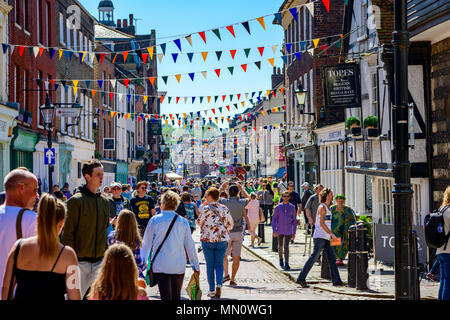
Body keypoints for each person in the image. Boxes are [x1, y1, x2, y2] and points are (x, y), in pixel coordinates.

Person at [2, 193, 81, 300]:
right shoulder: (68, 255)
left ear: (38, 219)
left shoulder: (18, 247)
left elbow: (6, 290)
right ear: (61, 223)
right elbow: (75, 297)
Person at [61, 159, 111, 299]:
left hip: (99, 262)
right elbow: (67, 234)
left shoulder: (105, 202)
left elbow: (104, 231)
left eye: (102, 174)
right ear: (87, 177)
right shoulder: (76, 201)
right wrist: (69, 261)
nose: (102, 178)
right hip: (78, 263)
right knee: (74, 298)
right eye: (98, 175)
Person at [141, 191, 200, 300]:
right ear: (176, 204)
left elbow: (146, 243)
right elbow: (190, 245)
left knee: (165, 296)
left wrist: (143, 262)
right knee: (176, 296)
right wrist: (195, 265)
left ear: (162, 204)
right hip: (178, 265)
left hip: (160, 264)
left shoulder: (154, 220)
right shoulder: (183, 222)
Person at [0, 169, 39, 294]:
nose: (37, 195)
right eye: (35, 190)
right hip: (17, 293)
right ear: (21, 187)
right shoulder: (31, 220)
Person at [296, 188, 344, 288]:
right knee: (313, 258)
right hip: (320, 237)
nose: (332, 195)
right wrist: (332, 234)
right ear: (327, 196)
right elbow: (322, 224)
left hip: (326, 237)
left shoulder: (328, 207)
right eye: (331, 194)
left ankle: (336, 280)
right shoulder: (322, 207)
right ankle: (301, 278)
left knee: (332, 258)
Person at [197, 187, 234, 298]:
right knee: (219, 264)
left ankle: (212, 290)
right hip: (221, 239)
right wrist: (225, 228)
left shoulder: (205, 208)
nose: (205, 198)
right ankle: (219, 284)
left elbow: (199, 222)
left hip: (207, 239)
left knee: (210, 265)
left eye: (206, 195)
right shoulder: (224, 208)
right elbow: (230, 223)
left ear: (209, 196)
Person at [220, 183, 250, 287]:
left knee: (224, 256)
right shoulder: (242, 202)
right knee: (236, 257)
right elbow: (249, 198)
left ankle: (226, 274)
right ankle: (232, 278)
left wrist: (221, 188)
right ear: (237, 193)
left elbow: (215, 198)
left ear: (228, 192)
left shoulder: (224, 202)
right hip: (238, 232)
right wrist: (242, 188)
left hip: (227, 232)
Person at [107, 209, 146, 279]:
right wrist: (144, 265)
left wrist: (111, 225)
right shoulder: (136, 239)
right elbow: (138, 263)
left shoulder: (112, 237)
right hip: (132, 275)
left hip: (116, 274)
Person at [272, 191, 297, 270]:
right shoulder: (278, 207)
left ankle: (286, 263)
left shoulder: (292, 207)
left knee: (286, 246)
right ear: (282, 197)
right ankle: (280, 259)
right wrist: (274, 229)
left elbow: (294, 220)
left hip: (288, 230)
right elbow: (274, 219)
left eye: (287, 196)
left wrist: (294, 232)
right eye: (284, 196)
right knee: (280, 246)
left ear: (289, 197)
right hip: (280, 229)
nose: (286, 198)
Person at [330, 194, 356, 266]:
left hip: (345, 229)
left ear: (344, 201)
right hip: (335, 229)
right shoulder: (332, 208)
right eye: (339, 201)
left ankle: (341, 258)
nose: (340, 202)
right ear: (336, 201)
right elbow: (328, 219)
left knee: (344, 244)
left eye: (342, 201)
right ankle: (337, 258)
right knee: (336, 244)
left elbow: (352, 219)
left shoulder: (348, 209)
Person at [436, 186, 450, 300]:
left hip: (440, 250)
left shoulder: (442, 209)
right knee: (448, 282)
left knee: (444, 280)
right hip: (449, 250)